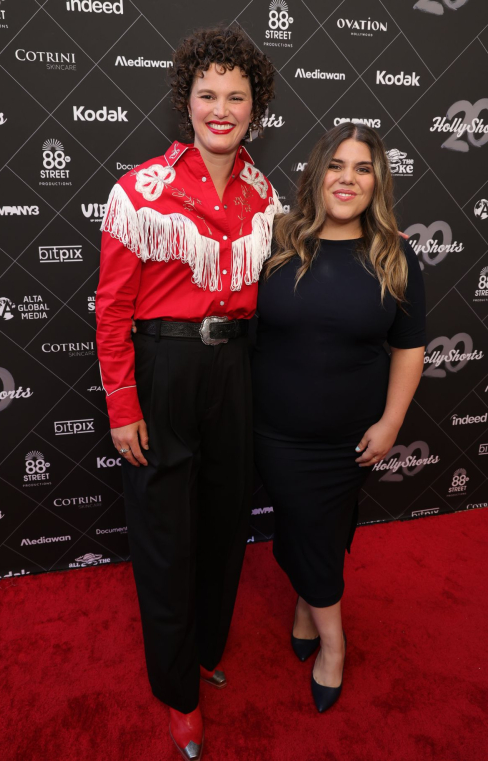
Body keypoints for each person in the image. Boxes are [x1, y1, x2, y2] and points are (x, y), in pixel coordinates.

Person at [95, 26, 278, 760]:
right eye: (208, 94)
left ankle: (203, 648)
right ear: (186, 102)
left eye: (237, 95)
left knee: (225, 520)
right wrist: (122, 405)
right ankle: (178, 694)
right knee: (167, 537)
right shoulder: (139, 190)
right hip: (163, 372)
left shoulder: (267, 194)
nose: (222, 107)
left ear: (254, 104)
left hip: (236, 372)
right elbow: (110, 309)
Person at [252, 123, 426, 713]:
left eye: (362, 167)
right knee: (306, 526)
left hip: (352, 436)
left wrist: (393, 424)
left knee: (316, 530)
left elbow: (409, 345)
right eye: (336, 165)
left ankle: (331, 643)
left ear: (377, 182)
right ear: (316, 173)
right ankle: (316, 616)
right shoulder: (274, 240)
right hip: (274, 430)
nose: (346, 178)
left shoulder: (395, 256)